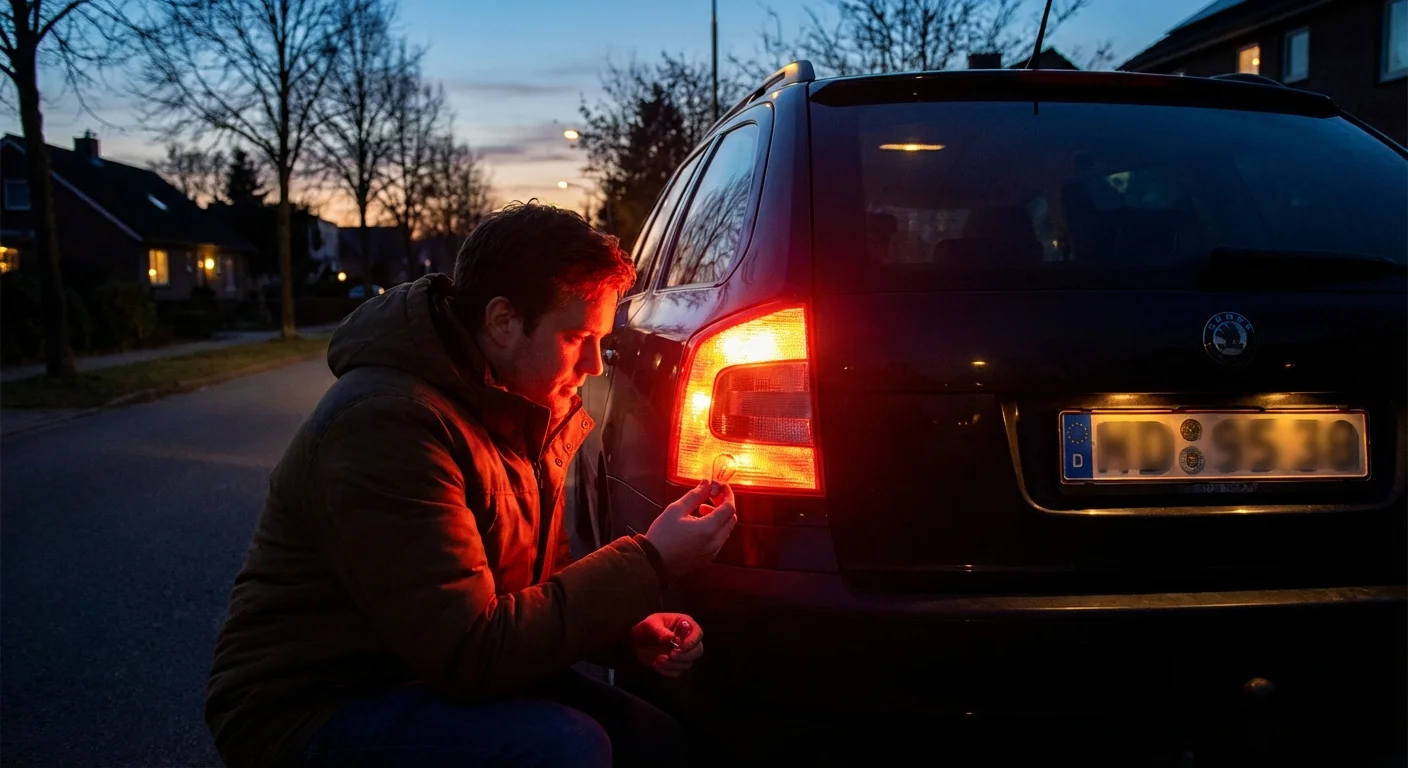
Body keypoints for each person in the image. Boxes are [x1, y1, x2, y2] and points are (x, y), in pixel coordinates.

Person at [205, 202, 738, 768]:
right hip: (316, 705)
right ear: (502, 321)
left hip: (422, 671)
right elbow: (470, 653)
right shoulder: (388, 423)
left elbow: (529, 589)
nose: (594, 366)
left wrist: (624, 632)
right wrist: (651, 561)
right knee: (565, 750)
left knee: (653, 740)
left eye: (599, 341)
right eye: (577, 336)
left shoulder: (522, 406)